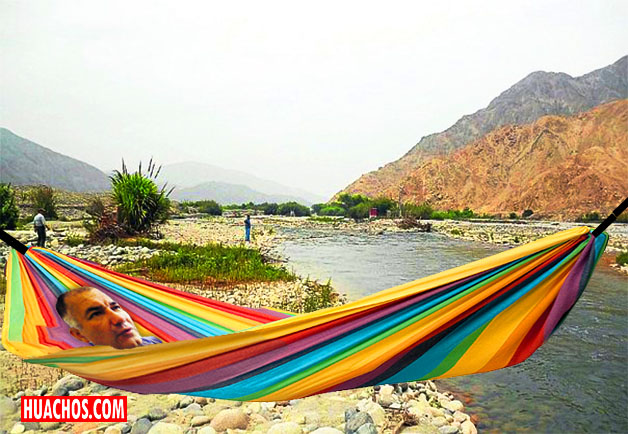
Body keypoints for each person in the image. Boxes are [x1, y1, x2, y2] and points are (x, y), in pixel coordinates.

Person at [55, 286, 162, 349]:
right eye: (96, 314)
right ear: (79, 334)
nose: (119, 319)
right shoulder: (93, 376)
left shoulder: (154, 344)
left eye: (115, 307)